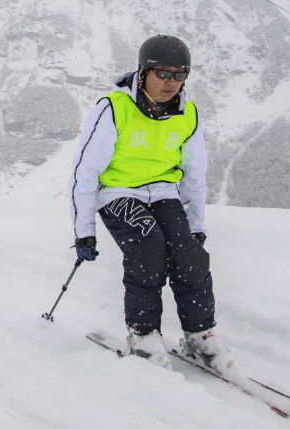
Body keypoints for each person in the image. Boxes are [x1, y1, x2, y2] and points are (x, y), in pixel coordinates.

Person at [68, 35, 236, 374]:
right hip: (117, 192)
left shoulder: (187, 114)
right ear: (143, 72)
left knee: (190, 254)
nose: (171, 83)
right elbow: (84, 173)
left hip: (162, 192)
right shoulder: (114, 108)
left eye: (179, 75)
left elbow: (195, 174)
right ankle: (142, 334)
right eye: (163, 74)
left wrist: (197, 226)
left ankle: (199, 334)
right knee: (148, 246)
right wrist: (84, 231)